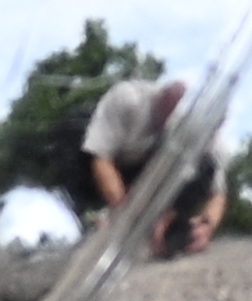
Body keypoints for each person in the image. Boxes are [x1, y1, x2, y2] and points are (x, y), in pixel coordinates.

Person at [86, 73, 226, 259]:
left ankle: (166, 222)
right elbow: (100, 156)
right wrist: (130, 218)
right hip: (124, 170)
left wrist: (206, 225)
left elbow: (218, 193)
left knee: (205, 168)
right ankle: (105, 216)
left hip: (161, 188)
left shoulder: (210, 146)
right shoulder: (131, 100)